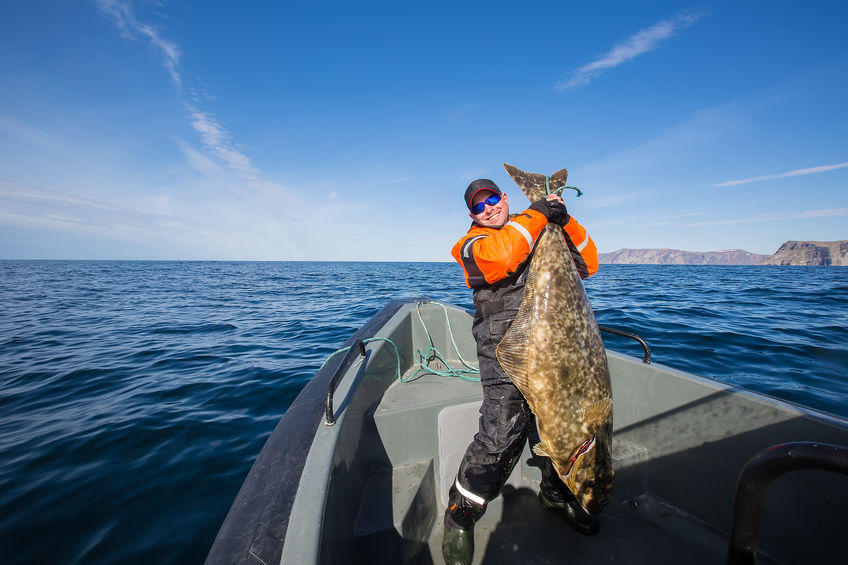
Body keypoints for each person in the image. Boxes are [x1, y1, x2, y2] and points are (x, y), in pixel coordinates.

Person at [443, 177, 600, 564]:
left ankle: (555, 493)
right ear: (472, 215)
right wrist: (537, 213)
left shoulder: (535, 228)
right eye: (479, 207)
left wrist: (564, 220)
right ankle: (460, 515)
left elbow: (589, 263)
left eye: (493, 199)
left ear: (504, 198)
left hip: (554, 348)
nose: (489, 209)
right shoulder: (473, 245)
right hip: (503, 351)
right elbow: (502, 258)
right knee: (500, 436)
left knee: (556, 427)